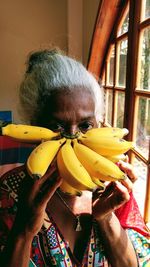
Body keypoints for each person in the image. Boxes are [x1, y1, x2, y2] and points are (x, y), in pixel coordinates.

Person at [0, 48, 149, 267]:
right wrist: (24, 230)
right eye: (56, 126)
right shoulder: (10, 193)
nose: (72, 135)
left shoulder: (111, 184)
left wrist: (106, 218)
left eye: (85, 125)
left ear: (98, 125)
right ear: (34, 128)